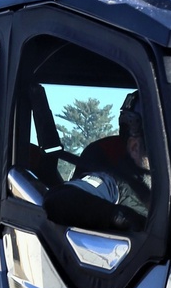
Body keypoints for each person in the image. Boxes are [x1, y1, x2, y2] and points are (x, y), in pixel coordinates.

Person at [50, 90, 152, 228]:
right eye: (163, 144)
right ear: (134, 147)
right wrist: (122, 217)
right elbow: (59, 200)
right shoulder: (111, 183)